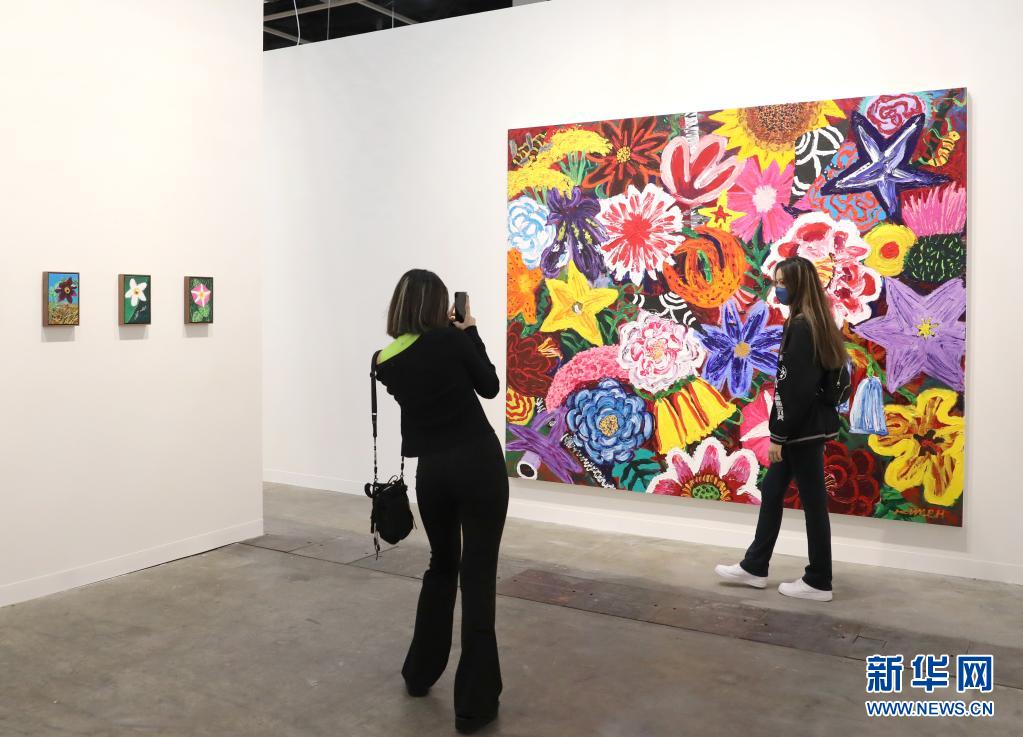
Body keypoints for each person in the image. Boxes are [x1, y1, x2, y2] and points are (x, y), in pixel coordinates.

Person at [374, 269, 507, 734]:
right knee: (478, 576)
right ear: (439, 305)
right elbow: (489, 385)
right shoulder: (450, 341)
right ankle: (473, 705)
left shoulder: (384, 360)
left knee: (441, 566)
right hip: (478, 465)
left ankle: (419, 672)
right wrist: (471, 332)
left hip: (432, 473)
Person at [715, 256, 846, 602]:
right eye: (777, 282)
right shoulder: (815, 322)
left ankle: (819, 580)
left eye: (782, 283)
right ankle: (755, 566)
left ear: (798, 285)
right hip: (808, 427)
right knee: (773, 491)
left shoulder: (802, 327)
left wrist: (778, 435)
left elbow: (793, 388)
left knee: (813, 503)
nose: (778, 289)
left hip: (800, 431)